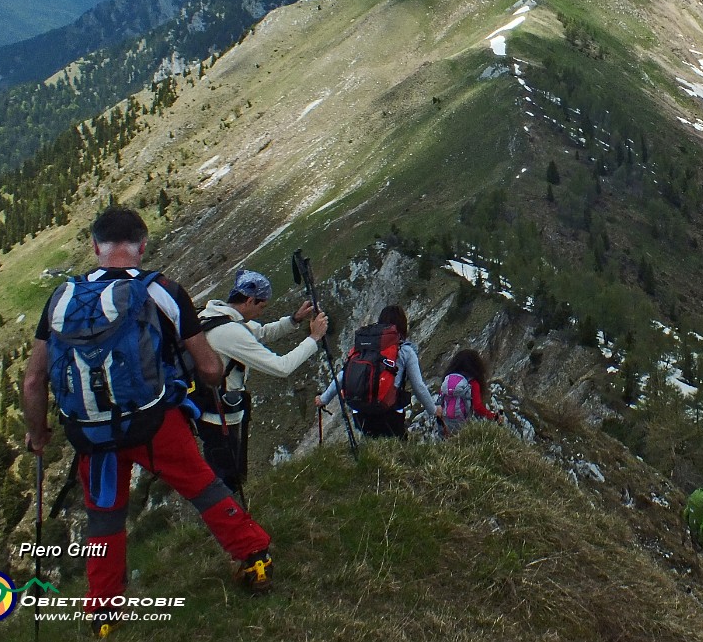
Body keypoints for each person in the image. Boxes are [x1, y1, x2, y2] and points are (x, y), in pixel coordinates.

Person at [22, 207, 275, 634]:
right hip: (154, 423)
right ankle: (254, 558)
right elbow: (210, 368)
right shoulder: (162, 291)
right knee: (203, 487)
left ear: (94, 246)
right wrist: (204, 380)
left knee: (104, 517)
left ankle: (103, 612)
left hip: (92, 432)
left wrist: (37, 433)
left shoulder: (62, 299)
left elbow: (33, 380)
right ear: (142, 246)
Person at [193, 268, 328, 495]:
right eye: (261, 306)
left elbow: (261, 332)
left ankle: (226, 514)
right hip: (221, 417)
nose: (260, 312)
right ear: (249, 300)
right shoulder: (230, 332)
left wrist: (294, 320)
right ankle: (226, 517)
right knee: (226, 479)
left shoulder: (214, 315)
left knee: (223, 471)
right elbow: (282, 367)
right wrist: (314, 338)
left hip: (210, 409)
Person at [315, 304, 441, 439]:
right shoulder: (405, 350)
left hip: (361, 412)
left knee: (371, 449)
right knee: (397, 452)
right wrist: (434, 410)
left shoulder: (364, 347)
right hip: (389, 413)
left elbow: (342, 376)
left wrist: (324, 399)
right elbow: (418, 386)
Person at [438, 348, 501, 433]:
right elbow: (478, 407)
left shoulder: (448, 379)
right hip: (461, 424)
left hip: (445, 422)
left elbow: (440, 400)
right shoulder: (473, 382)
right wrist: (494, 417)